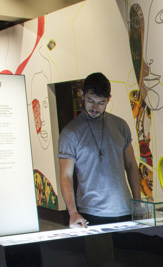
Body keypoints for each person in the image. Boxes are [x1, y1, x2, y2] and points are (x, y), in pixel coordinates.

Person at [58, 72, 143, 227]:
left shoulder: (120, 126)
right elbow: (66, 176)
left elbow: (131, 165)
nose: (95, 107)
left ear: (108, 100)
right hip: (90, 213)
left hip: (125, 209)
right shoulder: (70, 133)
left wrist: (137, 202)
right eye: (90, 101)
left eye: (101, 102)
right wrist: (72, 212)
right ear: (82, 95)